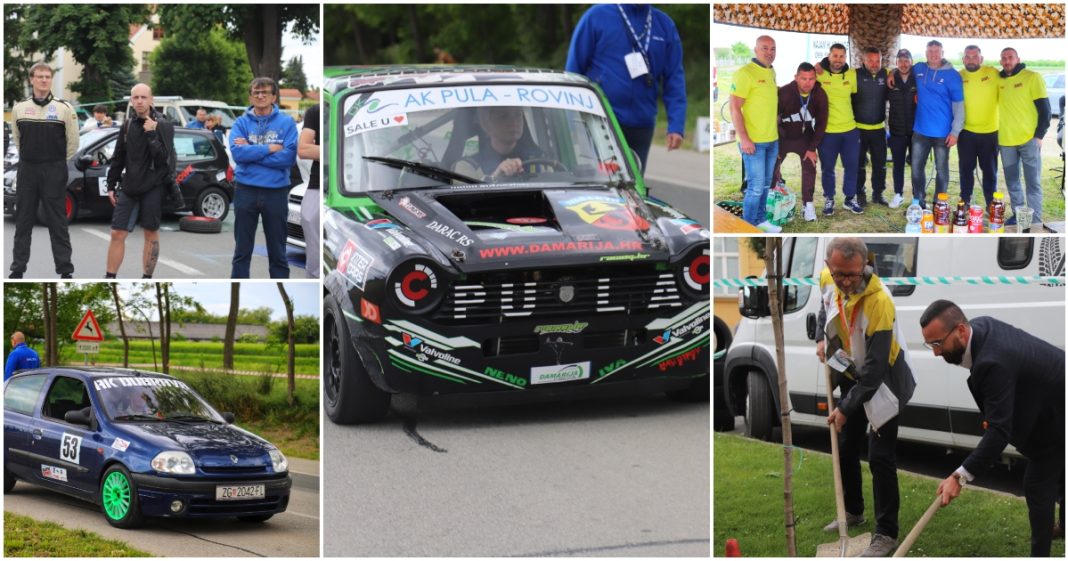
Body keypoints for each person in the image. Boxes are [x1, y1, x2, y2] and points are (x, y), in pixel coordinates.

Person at [919, 300, 1064, 557]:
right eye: (930, 345)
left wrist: (959, 477)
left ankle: (1040, 554)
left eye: (938, 343)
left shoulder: (992, 361)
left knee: (1037, 484)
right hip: (1051, 403)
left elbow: (999, 431)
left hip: (1058, 416)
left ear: (961, 331)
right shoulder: (980, 328)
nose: (936, 353)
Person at [815, 237, 916, 558]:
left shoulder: (880, 301)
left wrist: (846, 408)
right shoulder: (828, 278)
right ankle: (853, 511)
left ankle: (886, 534)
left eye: (852, 275)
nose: (845, 282)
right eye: (839, 274)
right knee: (846, 446)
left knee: (880, 457)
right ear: (830, 266)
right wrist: (820, 338)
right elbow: (824, 307)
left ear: (865, 266)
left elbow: (875, 369)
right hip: (852, 371)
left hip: (885, 380)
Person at [565, 4, 686, 173]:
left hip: (642, 123)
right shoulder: (596, 16)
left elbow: (674, 78)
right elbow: (573, 71)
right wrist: (569, 119)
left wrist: (676, 125)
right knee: (606, 180)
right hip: (602, 119)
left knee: (635, 183)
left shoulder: (664, 24)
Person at [8, 62, 78, 279]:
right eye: (39, 76)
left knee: (57, 222)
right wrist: (31, 159)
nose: (44, 80)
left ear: (51, 80)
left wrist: (56, 163)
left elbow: (73, 143)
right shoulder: (19, 109)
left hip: (54, 169)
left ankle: (65, 270)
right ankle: (17, 269)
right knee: (23, 221)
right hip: (28, 169)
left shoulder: (64, 108)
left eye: (47, 77)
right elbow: (18, 140)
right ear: (32, 79)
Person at [105, 83, 178, 279]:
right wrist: (111, 184)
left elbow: (164, 161)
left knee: (150, 234)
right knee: (117, 233)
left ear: (151, 100)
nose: (139, 101)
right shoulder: (128, 125)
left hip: (153, 187)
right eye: (135, 97)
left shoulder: (163, 125)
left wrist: (152, 134)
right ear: (131, 100)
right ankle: (110, 278)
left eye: (143, 97)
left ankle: (147, 279)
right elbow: (119, 157)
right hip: (130, 186)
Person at [229, 77, 298, 279]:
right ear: (250, 97)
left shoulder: (286, 122)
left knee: (278, 252)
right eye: (256, 93)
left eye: (265, 92)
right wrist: (269, 148)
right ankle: (239, 288)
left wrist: (251, 151)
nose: (260, 96)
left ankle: (281, 287)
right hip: (245, 190)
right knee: (242, 251)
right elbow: (238, 155)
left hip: (276, 192)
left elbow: (288, 158)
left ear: (274, 97)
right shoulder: (241, 123)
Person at [728, 35, 780, 231]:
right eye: (765, 48)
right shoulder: (744, 73)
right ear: (755, 50)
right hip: (753, 142)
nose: (769, 52)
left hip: (772, 140)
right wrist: (744, 139)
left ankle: (760, 220)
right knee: (755, 188)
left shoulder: (771, 71)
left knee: (766, 185)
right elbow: (734, 108)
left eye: (773, 49)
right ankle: (748, 227)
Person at [997, 47, 1051, 229]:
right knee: (1013, 183)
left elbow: (1045, 110)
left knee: (1032, 183)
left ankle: (1034, 221)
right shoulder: (998, 80)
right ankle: (1019, 216)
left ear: (1018, 59)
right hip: (1006, 142)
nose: (1007, 61)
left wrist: (1039, 136)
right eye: (1004, 58)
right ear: (1000, 61)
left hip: (1029, 140)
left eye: (1010, 57)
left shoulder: (1032, 77)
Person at [770, 62, 828, 222]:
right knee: (772, 164)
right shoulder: (785, 92)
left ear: (815, 79)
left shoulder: (820, 94)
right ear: (796, 77)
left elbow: (822, 123)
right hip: (783, 135)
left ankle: (808, 204)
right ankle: (771, 198)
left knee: (810, 165)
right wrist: (775, 144)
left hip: (805, 136)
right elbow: (772, 118)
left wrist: (812, 148)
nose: (807, 83)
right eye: (803, 78)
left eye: (811, 79)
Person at [908, 40, 963, 208]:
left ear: (942, 53)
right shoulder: (918, 69)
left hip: (943, 133)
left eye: (937, 51)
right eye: (930, 51)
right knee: (916, 168)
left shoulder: (953, 75)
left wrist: (955, 132)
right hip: (920, 131)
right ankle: (918, 203)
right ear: (926, 53)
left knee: (942, 170)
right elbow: (902, 69)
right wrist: (891, 73)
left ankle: (939, 204)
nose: (933, 54)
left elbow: (959, 106)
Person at [816, 44, 862, 216]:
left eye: (842, 56)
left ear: (845, 58)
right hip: (827, 131)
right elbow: (803, 79)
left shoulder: (851, 75)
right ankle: (829, 198)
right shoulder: (819, 74)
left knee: (851, 166)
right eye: (835, 55)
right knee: (828, 168)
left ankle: (850, 198)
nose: (838, 59)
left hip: (850, 130)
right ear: (829, 56)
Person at [958, 45, 1001, 208]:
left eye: (974, 56)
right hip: (966, 132)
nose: (971, 60)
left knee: (989, 171)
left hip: (990, 133)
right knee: (966, 169)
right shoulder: (958, 76)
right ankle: (965, 201)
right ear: (963, 59)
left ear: (981, 59)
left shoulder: (993, 73)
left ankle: (991, 203)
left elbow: (1011, 79)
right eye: (967, 57)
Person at [454, 106, 547, 180]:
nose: (513, 122)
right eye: (503, 116)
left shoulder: (539, 162)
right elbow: (467, 198)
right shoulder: (468, 167)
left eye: (518, 115)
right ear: (485, 124)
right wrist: (494, 178)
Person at [853, 47, 890, 207]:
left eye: (877, 61)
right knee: (859, 164)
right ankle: (860, 193)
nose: (874, 64)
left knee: (880, 164)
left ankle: (878, 193)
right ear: (863, 60)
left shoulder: (886, 74)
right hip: (858, 129)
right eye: (870, 60)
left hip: (879, 130)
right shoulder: (854, 74)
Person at [886, 49, 917, 209]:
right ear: (896, 62)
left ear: (911, 62)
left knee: (916, 165)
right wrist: (891, 73)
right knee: (898, 164)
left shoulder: (918, 77)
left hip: (916, 131)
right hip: (896, 131)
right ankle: (898, 194)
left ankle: (916, 197)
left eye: (907, 60)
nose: (904, 64)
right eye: (901, 61)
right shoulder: (891, 80)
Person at [298, 104, 320, 279]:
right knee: (314, 253)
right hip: (317, 185)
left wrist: (319, 150)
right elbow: (303, 150)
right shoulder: (316, 111)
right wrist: (342, 149)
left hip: (360, 186)